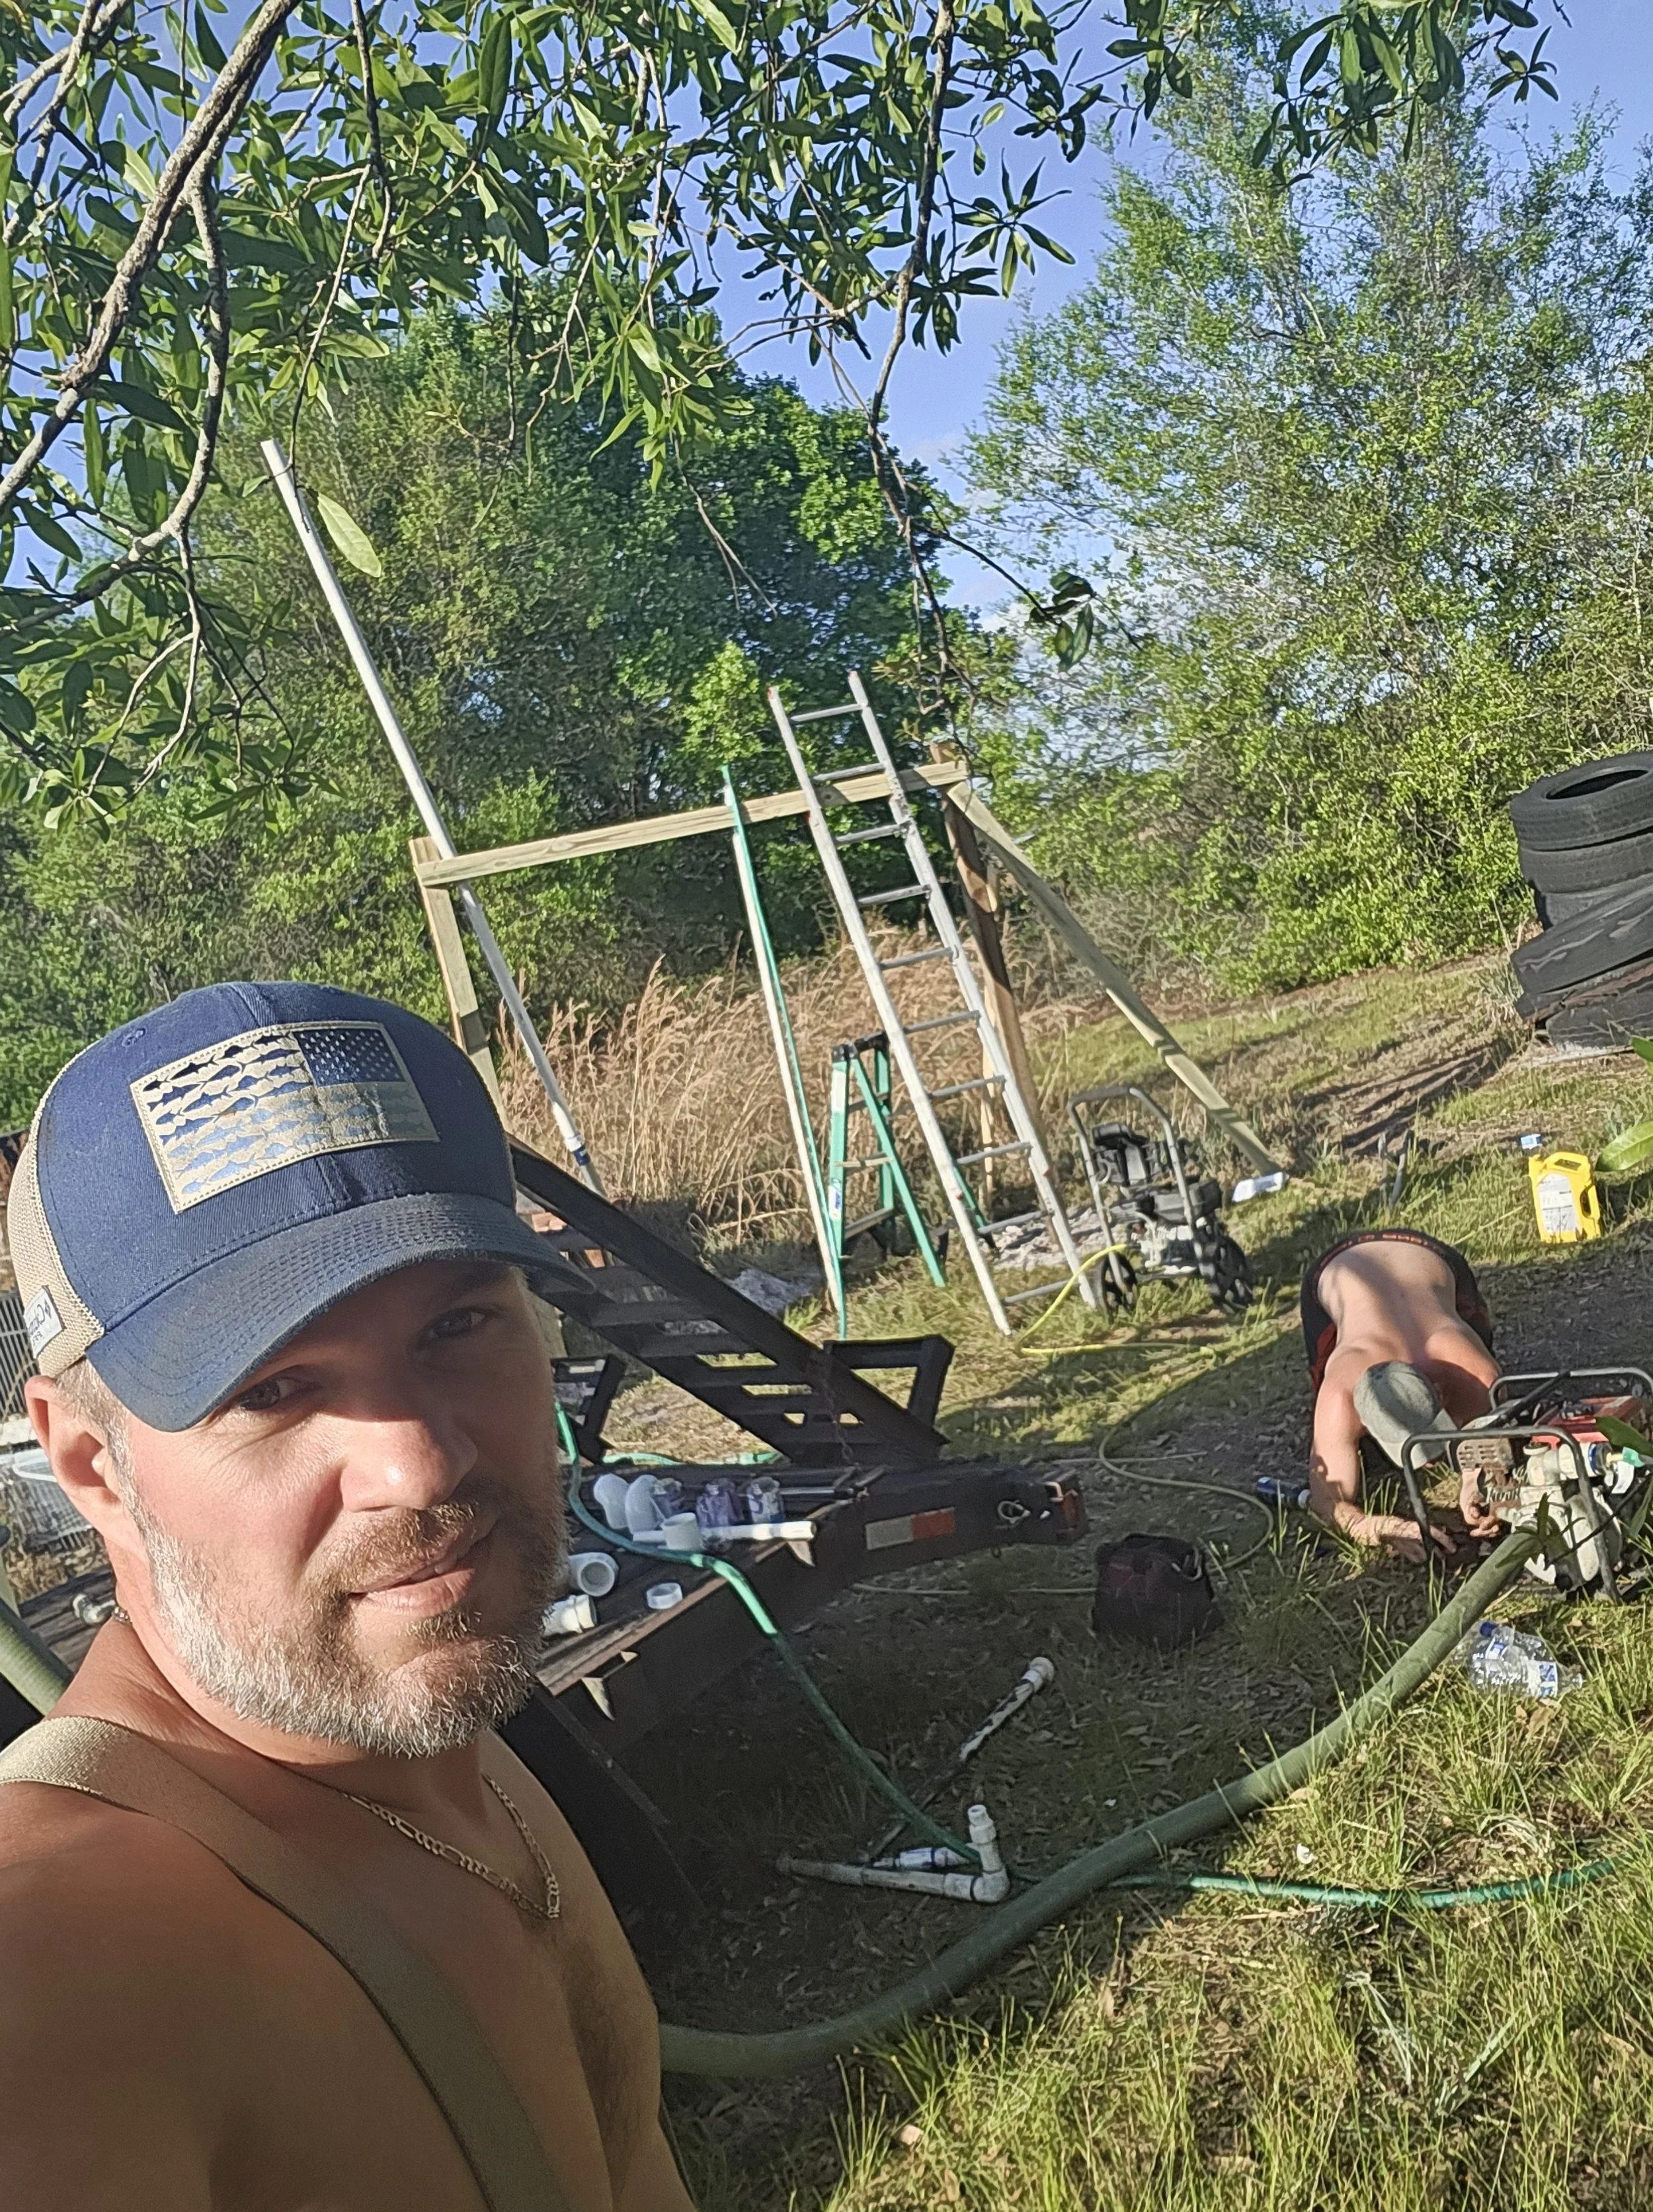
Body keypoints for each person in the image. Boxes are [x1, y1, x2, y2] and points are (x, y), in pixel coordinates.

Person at [0, 981, 693, 2210]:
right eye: (273, 1391)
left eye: (460, 1324)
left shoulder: (431, 1742)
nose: (420, 1464)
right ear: (92, 1466)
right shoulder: (67, 1962)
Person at [1301, 1228, 1502, 1562]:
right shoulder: (1338, 1393)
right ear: (1359, 1416)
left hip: (1430, 1254)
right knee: (1360, 1458)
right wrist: (1373, 1527)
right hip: (1334, 1269)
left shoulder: (1473, 1370)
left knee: (1493, 1409)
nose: (1431, 1465)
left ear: (1439, 1389)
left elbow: (1491, 1446)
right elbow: (1326, 1502)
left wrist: (1474, 1483)